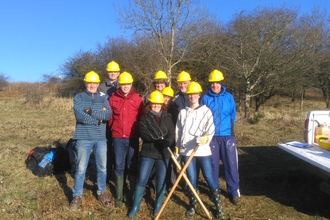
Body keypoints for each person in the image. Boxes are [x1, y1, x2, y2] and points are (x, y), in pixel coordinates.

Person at [176, 81, 226, 219]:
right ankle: (193, 204)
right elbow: (178, 132)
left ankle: (218, 207)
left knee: (209, 177)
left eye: (194, 94)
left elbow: (210, 131)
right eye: (190, 94)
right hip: (187, 151)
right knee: (192, 179)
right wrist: (177, 150)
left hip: (202, 151)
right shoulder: (182, 113)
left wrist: (204, 139)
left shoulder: (206, 111)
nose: (192, 97)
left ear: (199, 95)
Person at [69, 71, 112, 211]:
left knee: (102, 168)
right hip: (83, 137)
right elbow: (79, 116)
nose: (92, 85)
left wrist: (91, 111)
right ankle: (77, 196)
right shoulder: (79, 97)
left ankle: (101, 192)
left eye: (94, 83)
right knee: (81, 168)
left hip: (100, 138)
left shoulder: (103, 97)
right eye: (90, 83)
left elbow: (108, 114)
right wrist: (98, 120)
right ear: (85, 83)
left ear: (98, 84)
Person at [128, 90, 175, 218]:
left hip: (163, 153)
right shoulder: (145, 118)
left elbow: (171, 133)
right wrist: (156, 140)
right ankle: (135, 206)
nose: (156, 106)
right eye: (153, 104)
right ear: (150, 105)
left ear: (162, 105)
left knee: (161, 179)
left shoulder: (167, 117)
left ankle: (158, 205)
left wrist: (167, 142)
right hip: (148, 152)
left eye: (158, 104)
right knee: (142, 178)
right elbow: (143, 133)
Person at [200, 69, 240, 206]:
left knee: (231, 164)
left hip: (227, 136)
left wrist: (229, 130)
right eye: (212, 83)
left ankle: (233, 192)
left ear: (221, 83)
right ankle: (214, 190)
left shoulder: (229, 97)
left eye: (217, 83)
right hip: (212, 137)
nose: (214, 85)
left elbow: (233, 114)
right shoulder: (205, 98)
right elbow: (202, 116)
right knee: (213, 165)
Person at [108, 71, 144, 208]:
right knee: (118, 165)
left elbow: (141, 118)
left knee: (132, 165)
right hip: (118, 138)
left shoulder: (137, 99)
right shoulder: (112, 98)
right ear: (120, 84)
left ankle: (132, 193)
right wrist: (114, 129)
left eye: (128, 84)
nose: (125, 86)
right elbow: (110, 118)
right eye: (123, 84)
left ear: (131, 84)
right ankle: (119, 196)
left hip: (133, 137)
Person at [98, 60, 121, 182]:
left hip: (118, 122)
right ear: (107, 72)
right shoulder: (101, 87)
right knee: (106, 149)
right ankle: (107, 174)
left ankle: (119, 175)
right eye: (110, 71)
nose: (112, 73)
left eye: (115, 71)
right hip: (105, 123)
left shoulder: (122, 85)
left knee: (118, 150)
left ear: (118, 73)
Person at [162, 86, 179, 190]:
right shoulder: (159, 107)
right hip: (161, 138)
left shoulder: (175, 109)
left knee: (171, 162)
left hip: (171, 139)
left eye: (169, 97)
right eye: (165, 96)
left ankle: (171, 182)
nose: (166, 99)